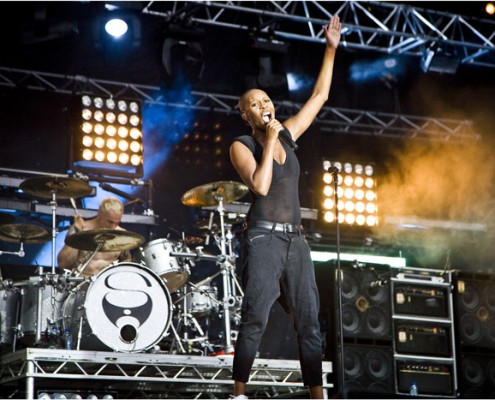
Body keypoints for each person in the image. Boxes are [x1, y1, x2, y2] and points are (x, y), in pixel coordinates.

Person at [229, 15, 341, 400]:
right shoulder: (242, 144)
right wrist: (269, 141)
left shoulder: (289, 136)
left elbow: (319, 97)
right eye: (255, 104)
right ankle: (238, 393)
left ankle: (317, 396)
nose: (264, 105)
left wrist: (329, 48)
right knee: (255, 317)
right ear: (246, 114)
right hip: (263, 238)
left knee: (309, 322)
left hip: (297, 242)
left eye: (266, 100)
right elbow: (260, 186)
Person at [57, 197, 132, 277]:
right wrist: (79, 234)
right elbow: (63, 263)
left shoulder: (121, 234)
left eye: (116, 223)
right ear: (99, 215)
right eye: (109, 222)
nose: (113, 227)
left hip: (106, 284)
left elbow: (126, 264)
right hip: (81, 282)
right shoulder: (82, 228)